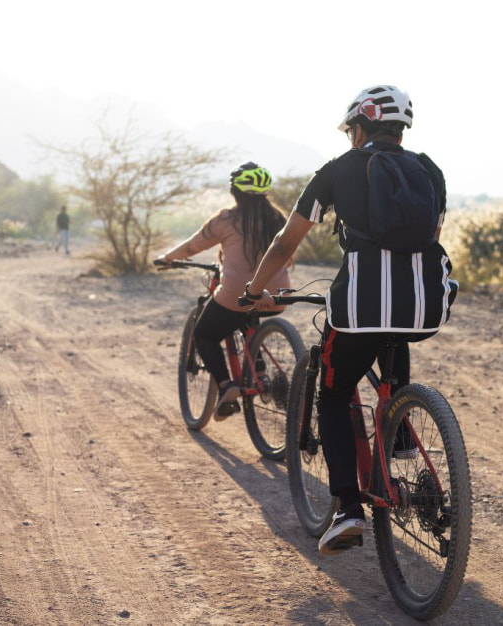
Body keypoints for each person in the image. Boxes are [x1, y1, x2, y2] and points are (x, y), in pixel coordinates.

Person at [243, 85, 457, 555]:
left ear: (359, 128)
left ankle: (347, 510)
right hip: (423, 304)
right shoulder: (429, 171)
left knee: (335, 395)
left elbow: (285, 241)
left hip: (361, 304)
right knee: (392, 337)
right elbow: (431, 235)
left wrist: (254, 291)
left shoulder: (338, 170)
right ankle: (399, 432)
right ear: (400, 132)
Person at [157, 162, 290, 419]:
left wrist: (168, 257)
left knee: (204, 334)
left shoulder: (227, 219)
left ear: (235, 191)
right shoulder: (279, 219)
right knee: (242, 317)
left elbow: (192, 247)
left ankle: (226, 387)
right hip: (277, 296)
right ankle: (261, 374)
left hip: (239, 295)